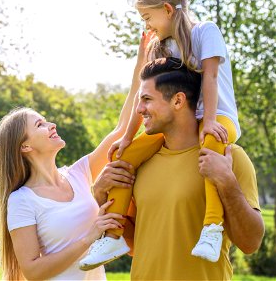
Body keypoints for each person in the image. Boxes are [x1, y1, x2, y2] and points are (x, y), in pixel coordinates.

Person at [80, 0, 243, 269]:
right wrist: (128, 136)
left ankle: (212, 229)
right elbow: (145, 97)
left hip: (218, 116)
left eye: (148, 18)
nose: (148, 25)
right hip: (184, 121)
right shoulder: (162, 46)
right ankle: (113, 234)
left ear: (167, 9)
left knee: (213, 143)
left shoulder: (206, 32)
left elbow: (211, 78)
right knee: (125, 156)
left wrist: (207, 121)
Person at [92, 57, 264, 280]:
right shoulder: (140, 164)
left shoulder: (228, 158)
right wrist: (99, 195)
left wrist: (227, 182)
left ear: (178, 101)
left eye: (146, 99)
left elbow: (250, 243)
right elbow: (135, 245)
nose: (140, 109)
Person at [0, 99, 136, 279]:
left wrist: (142, 74)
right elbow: (32, 271)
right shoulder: (22, 200)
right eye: (40, 125)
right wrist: (89, 237)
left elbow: (122, 130)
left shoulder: (78, 174)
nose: (52, 125)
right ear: (25, 146)